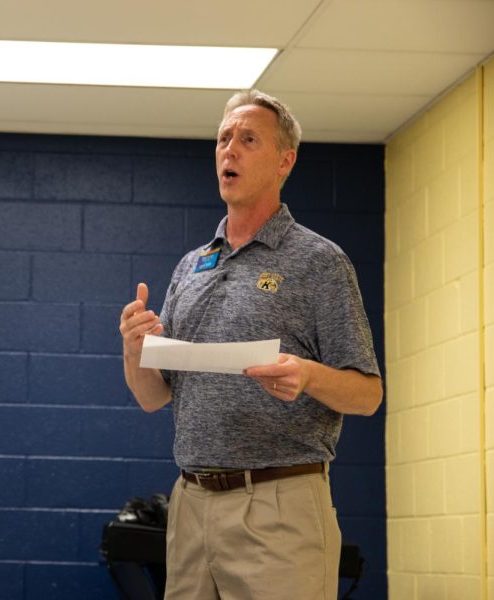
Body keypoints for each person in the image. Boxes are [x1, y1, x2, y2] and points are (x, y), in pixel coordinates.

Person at [118, 89, 383, 599]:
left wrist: (306, 375)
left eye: (247, 139)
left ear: (285, 161)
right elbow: (154, 397)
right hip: (191, 503)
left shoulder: (318, 262)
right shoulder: (192, 267)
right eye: (222, 139)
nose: (228, 150)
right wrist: (135, 347)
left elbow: (367, 394)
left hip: (277, 506)